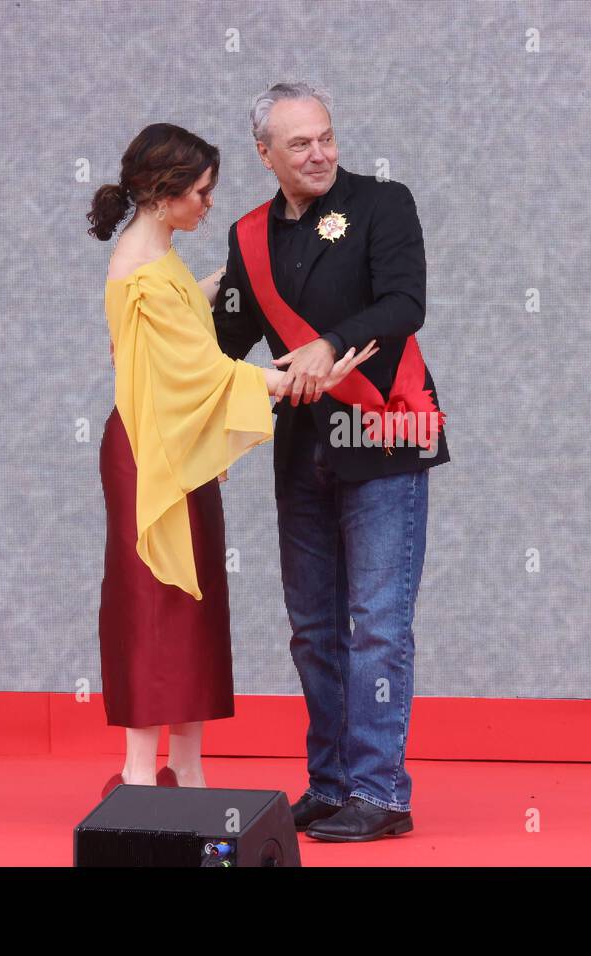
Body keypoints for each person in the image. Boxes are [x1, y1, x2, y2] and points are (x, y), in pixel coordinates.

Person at [85, 123, 377, 797]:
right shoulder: (141, 271)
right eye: (202, 192)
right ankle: (138, 775)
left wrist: (230, 279)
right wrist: (302, 377)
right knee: (152, 601)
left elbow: (185, 323)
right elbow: (199, 374)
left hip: (176, 444)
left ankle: (185, 770)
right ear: (164, 194)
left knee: (192, 602)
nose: (209, 204)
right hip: (150, 451)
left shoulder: (158, 256)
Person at [215, 83, 451, 841]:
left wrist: (328, 343)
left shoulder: (383, 203)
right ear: (265, 155)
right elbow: (229, 342)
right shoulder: (249, 234)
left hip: (381, 432)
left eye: (326, 137)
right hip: (305, 445)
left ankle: (381, 793)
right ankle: (330, 781)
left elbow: (404, 304)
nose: (319, 153)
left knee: (378, 626)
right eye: (298, 145)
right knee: (314, 627)